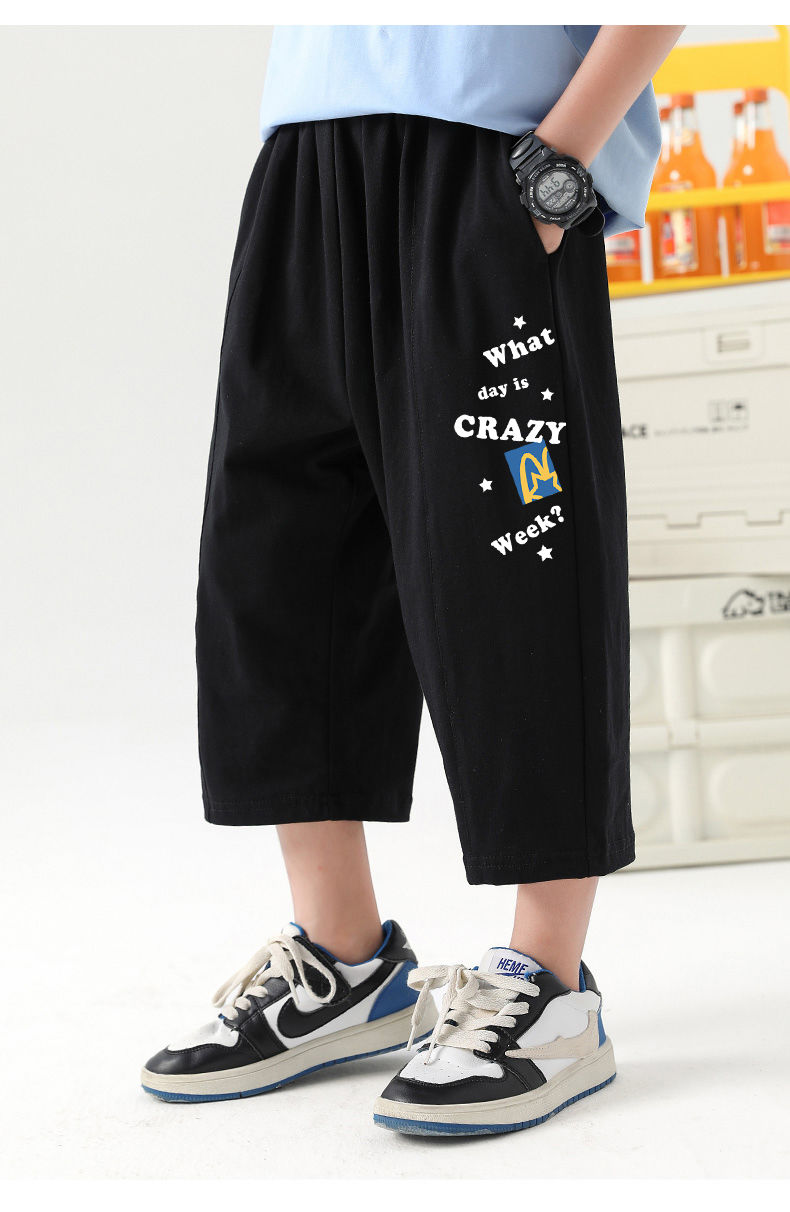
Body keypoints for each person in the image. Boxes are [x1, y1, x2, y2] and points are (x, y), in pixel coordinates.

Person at [141, 24, 683, 1135]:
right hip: (303, 154)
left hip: (489, 154)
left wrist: (556, 169)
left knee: (514, 571)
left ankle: (550, 983)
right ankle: (343, 959)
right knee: (278, 561)